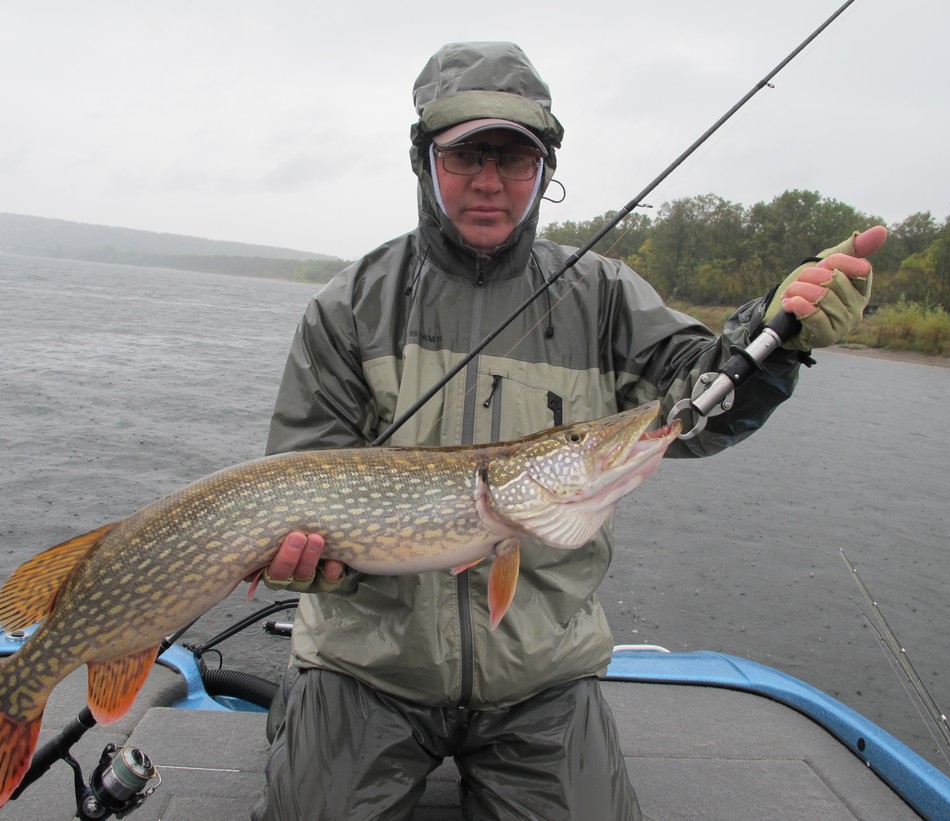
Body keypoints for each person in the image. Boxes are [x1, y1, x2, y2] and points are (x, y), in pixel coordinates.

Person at [252, 41, 885, 820]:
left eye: (514, 159)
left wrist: (777, 333)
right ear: (425, 162)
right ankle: (305, 711)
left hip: (539, 680)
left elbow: (696, 398)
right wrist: (314, 564)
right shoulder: (351, 307)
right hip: (366, 667)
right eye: (465, 156)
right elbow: (299, 478)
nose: (490, 181)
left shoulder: (603, 294)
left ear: (545, 169)